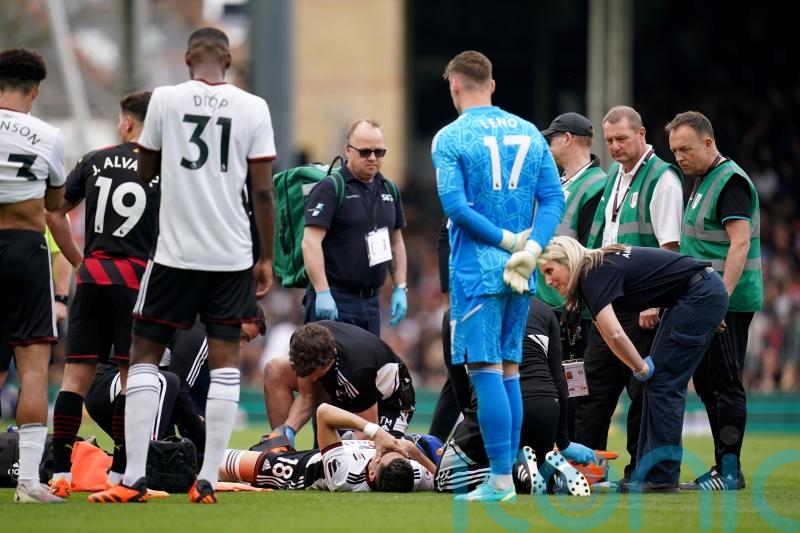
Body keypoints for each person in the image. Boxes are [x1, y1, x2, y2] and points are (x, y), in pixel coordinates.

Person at [89, 27, 276, 505]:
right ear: (228, 61)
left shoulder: (166, 101)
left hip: (175, 251)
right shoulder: (254, 107)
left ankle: (133, 476)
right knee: (226, 363)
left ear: (189, 59)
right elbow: (263, 191)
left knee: (143, 354)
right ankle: (207, 479)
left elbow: (146, 170)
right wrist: (266, 256)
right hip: (232, 253)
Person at [432, 50, 564, 501]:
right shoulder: (529, 131)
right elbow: (553, 198)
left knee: (485, 370)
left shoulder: (450, 137)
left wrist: (507, 241)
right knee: (510, 370)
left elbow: (455, 207)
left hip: (477, 271)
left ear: (454, 87)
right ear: (491, 84)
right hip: (521, 272)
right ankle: (511, 473)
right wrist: (532, 247)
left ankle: (501, 480)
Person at [538, 236, 729, 492]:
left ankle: (661, 477)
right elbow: (608, 334)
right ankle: (648, 473)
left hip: (699, 293)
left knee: (662, 383)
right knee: (658, 383)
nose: (548, 282)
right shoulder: (596, 268)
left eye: (550, 271)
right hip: (699, 292)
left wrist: (641, 368)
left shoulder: (592, 273)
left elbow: (615, 334)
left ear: (568, 261)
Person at [45, 91, 159, 498]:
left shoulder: (94, 159)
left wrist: (79, 261)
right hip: (135, 283)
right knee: (131, 381)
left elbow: (53, 213)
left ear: (127, 123)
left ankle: (60, 474)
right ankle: (120, 476)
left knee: (74, 379)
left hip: (92, 278)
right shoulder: (164, 168)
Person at [576, 105, 684, 481]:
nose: (615, 147)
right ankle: (584, 468)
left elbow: (670, 247)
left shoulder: (663, 178)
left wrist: (655, 302)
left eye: (621, 139)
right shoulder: (614, 176)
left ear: (641, 134)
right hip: (607, 301)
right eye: (608, 140)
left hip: (640, 305)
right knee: (592, 391)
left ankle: (641, 472)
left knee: (640, 392)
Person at [665, 111, 762, 491]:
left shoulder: (729, 181)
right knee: (708, 384)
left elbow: (740, 244)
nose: (679, 157)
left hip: (725, 306)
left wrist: (719, 300)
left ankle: (730, 470)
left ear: (708, 143)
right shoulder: (704, 181)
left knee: (725, 384)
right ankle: (723, 466)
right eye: (674, 150)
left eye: (685, 149)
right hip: (707, 302)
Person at [435, 299, 595, 497]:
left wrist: (469, 430)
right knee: (530, 469)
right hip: (545, 413)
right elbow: (559, 382)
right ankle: (548, 472)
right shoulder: (544, 310)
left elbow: (459, 385)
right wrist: (563, 442)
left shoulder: (457, 312)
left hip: (496, 411)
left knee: (444, 477)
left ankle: (513, 471)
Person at [0, 47, 68, 503]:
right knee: (32, 367)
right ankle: (27, 482)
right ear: (36, 90)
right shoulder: (48, 135)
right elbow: (55, 204)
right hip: (25, 250)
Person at [301, 118, 408, 336]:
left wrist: (400, 287)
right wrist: (322, 291)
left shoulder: (389, 189)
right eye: (365, 151)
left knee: (368, 359)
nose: (373, 158)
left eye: (379, 152)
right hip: (336, 298)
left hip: (371, 302)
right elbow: (310, 242)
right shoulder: (331, 188)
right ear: (348, 151)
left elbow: (396, 241)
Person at [537, 112, 606, 438]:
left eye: (551, 138)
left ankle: (578, 452)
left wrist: (575, 304)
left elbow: (589, 251)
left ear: (567, 139)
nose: (547, 145)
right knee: (555, 385)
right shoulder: (561, 184)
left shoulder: (596, 185)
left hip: (570, 308)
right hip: (548, 300)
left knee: (575, 387)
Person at [260, 320, 415, 447]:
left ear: (328, 362)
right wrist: (287, 431)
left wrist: (346, 446)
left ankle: (414, 443)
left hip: (390, 402)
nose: (312, 380)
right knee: (275, 369)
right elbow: (307, 396)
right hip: (343, 387)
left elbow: (369, 428)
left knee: (373, 456)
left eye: (314, 373)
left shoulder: (357, 370)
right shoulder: (303, 341)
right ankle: (282, 451)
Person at [220, 403, 435, 493]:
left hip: (294, 470)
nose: (389, 448)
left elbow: (323, 412)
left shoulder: (345, 475)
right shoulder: (412, 475)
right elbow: (439, 479)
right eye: (397, 453)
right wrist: (411, 450)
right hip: (333, 450)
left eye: (384, 453)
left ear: (371, 473)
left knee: (217, 461)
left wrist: (375, 432)